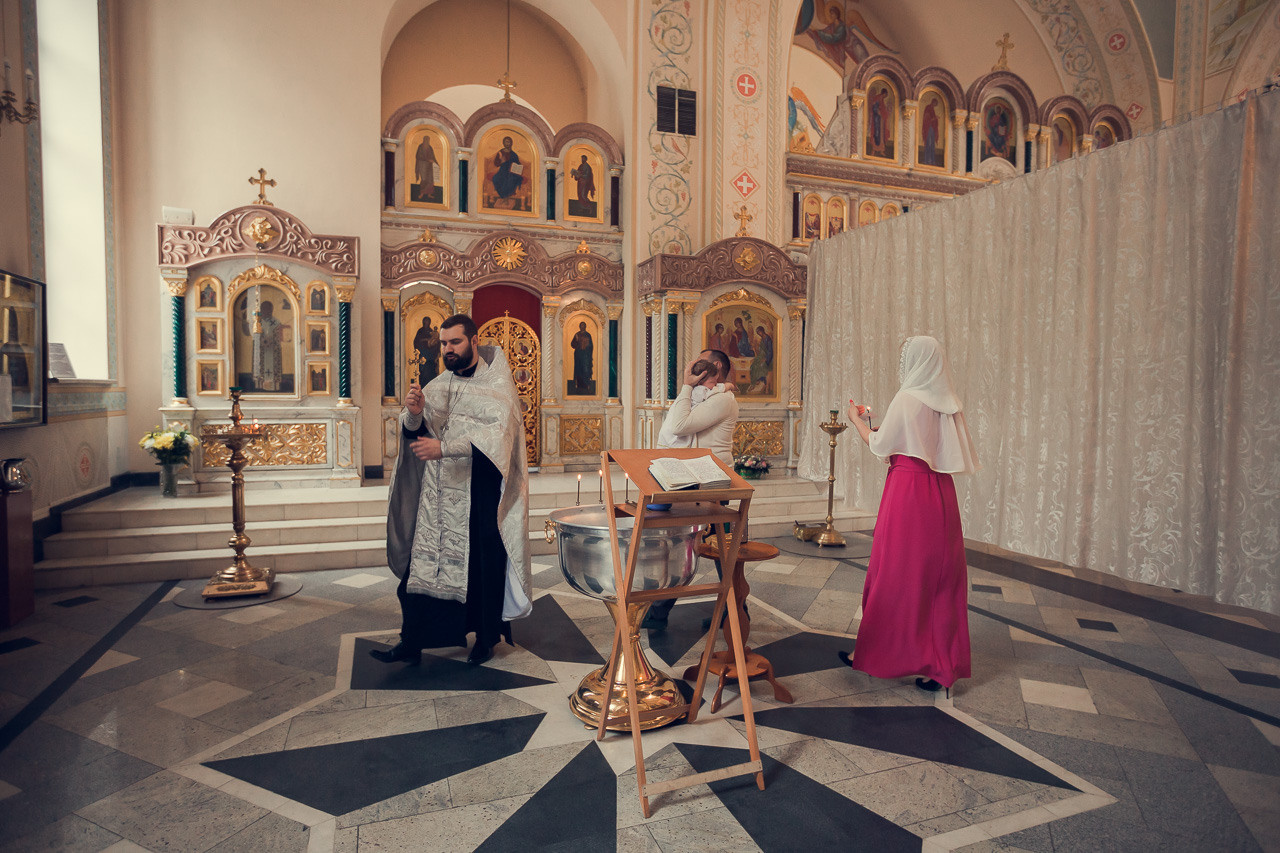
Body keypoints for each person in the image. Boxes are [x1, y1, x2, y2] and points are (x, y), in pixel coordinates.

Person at [378, 314, 533, 667]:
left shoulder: (498, 383)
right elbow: (416, 434)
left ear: (473, 341)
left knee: (481, 565)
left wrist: (445, 449)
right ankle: (411, 641)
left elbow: (498, 437)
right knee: (425, 566)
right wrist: (414, 414)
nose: (447, 349)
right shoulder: (438, 384)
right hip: (440, 495)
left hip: (481, 492)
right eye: (444, 344)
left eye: (455, 342)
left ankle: (485, 638)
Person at [838, 336, 980, 694]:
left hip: (908, 492)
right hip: (940, 494)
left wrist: (858, 420)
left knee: (896, 573)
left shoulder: (907, 397)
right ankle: (940, 668)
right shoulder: (948, 402)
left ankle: (876, 654)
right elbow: (925, 443)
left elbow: (881, 444)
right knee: (940, 580)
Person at [641, 349, 738, 630]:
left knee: (722, 551)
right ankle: (660, 611)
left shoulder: (723, 400)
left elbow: (680, 425)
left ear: (716, 366)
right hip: (692, 479)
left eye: (701, 361)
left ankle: (734, 611)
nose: (694, 364)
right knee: (683, 545)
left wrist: (685, 384)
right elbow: (676, 428)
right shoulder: (703, 395)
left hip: (714, 481)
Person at [252, 299, 284, 392]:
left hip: (273, 351)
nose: (266, 311)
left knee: (274, 368)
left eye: (268, 309)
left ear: (271, 309)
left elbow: (279, 337)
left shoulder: (276, 322)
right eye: (264, 309)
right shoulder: (257, 322)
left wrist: (272, 341)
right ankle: (259, 386)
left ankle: (275, 386)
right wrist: (261, 341)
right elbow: (254, 337)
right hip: (261, 351)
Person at [490, 135, 524, 204]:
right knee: (495, 178)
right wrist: (501, 162)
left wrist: (519, 166)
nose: (507, 144)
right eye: (506, 142)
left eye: (509, 142)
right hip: (502, 171)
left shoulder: (514, 154)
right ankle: (503, 196)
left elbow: (517, 163)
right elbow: (496, 163)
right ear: (503, 143)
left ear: (511, 143)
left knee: (511, 180)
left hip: (512, 172)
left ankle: (506, 198)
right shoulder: (500, 152)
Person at [413, 316, 441, 385]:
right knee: (423, 374)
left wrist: (436, 347)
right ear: (423, 323)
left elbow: (437, 343)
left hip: (431, 358)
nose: (426, 324)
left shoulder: (432, 332)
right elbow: (416, 342)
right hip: (423, 356)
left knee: (431, 374)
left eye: (427, 322)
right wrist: (425, 341)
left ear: (429, 323)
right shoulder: (420, 331)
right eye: (425, 322)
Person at [569, 321, 593, 395]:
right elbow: (573, 345)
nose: (582, 327)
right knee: (578, 370)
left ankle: (586, 386)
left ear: (585, 327)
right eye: (581, 325)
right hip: (578, 355)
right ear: (579, 327)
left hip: (586, 356)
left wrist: (586, 346)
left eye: (583, 325)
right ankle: (578, 386)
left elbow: (591, 346)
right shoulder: (577, 334)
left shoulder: (588, 335)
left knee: (585, 370)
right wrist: (576, 340)